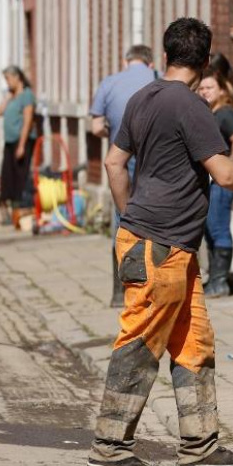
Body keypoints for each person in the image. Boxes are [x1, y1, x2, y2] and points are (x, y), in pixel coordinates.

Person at [86, 17, 233, 466]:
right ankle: (110, 447)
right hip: (162, 246)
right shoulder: (192, 106)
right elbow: (225, 174)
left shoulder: (142, 99)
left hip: (162, 242)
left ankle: (200, 445)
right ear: (203, 62)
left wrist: (130, 216)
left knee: (194, 341)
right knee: (140, 341)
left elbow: (114, 163)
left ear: (165, 57)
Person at [90, 45, 157, 308]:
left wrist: (114, 132)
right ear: (150, 63)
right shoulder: (158, 80)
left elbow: (96, 127)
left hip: (121, 160)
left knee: (123, 221)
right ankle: (152, 284)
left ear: (125, 61)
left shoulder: (108, 83)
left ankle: (120, 291)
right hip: (153, 161)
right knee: (153, 219)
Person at [197, 67, 233, 297]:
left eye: (209, 88)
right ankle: (215, 279)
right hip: (215, 181)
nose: (204, 92)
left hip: (223, 183)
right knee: (210, 228)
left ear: (221, 90)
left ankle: (220, 282)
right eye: (201, 88)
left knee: (218, 228)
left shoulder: (226, 113)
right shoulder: (213, 112)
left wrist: (230, 167)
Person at [0, 66, 36, 228]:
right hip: (9, 141)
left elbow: (27, 120)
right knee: (7, 177)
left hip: (22, 141)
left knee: (20, 177)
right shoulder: (11, 97)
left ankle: (20, 213)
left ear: (17, 77)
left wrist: (21, 145)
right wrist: (7, 96)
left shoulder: (27, 95)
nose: (7, 82)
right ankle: (13, 213)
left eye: (8, 79)